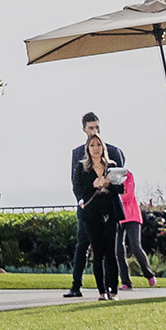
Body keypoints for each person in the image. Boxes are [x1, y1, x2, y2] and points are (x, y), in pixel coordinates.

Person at [64, 114, 125, 297]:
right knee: (83, 245)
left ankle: (111, 288)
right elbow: (76, 183)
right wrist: (82, 201)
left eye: (96, 127)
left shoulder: (114, 152)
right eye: (90, 128)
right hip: (88, 207)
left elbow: (120, 180)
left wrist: (109, 186)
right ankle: (77, 285)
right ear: (84, 129)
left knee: (110, 249)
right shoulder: (77, 154)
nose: (94, 131)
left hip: (109, 207)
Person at [116, 162, 156, 289]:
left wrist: (114, 196)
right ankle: (126, 282)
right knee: (118, 250)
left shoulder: (128, 176)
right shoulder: (108, 178)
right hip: (118, 217)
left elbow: (128, 195)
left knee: (135, 246)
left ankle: (149, 274)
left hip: (132, 216)